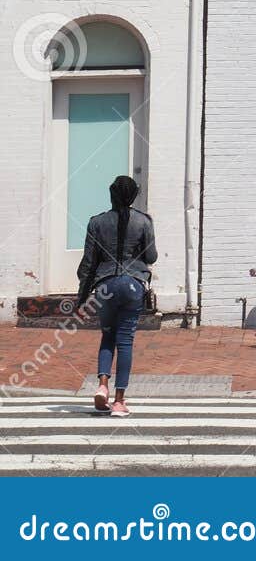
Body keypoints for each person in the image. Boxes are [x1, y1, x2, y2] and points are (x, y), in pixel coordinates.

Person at [75, 176, 157, 417]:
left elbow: (88, 264)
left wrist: (82, 298)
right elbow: (151, 257)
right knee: (125, 342)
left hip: (105, 286)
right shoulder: (144, 221)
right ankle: (119, 401)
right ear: (133, 197)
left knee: (107, 336)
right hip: (133, 285)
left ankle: (102, 384)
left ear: (111, 195)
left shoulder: (96, 223)